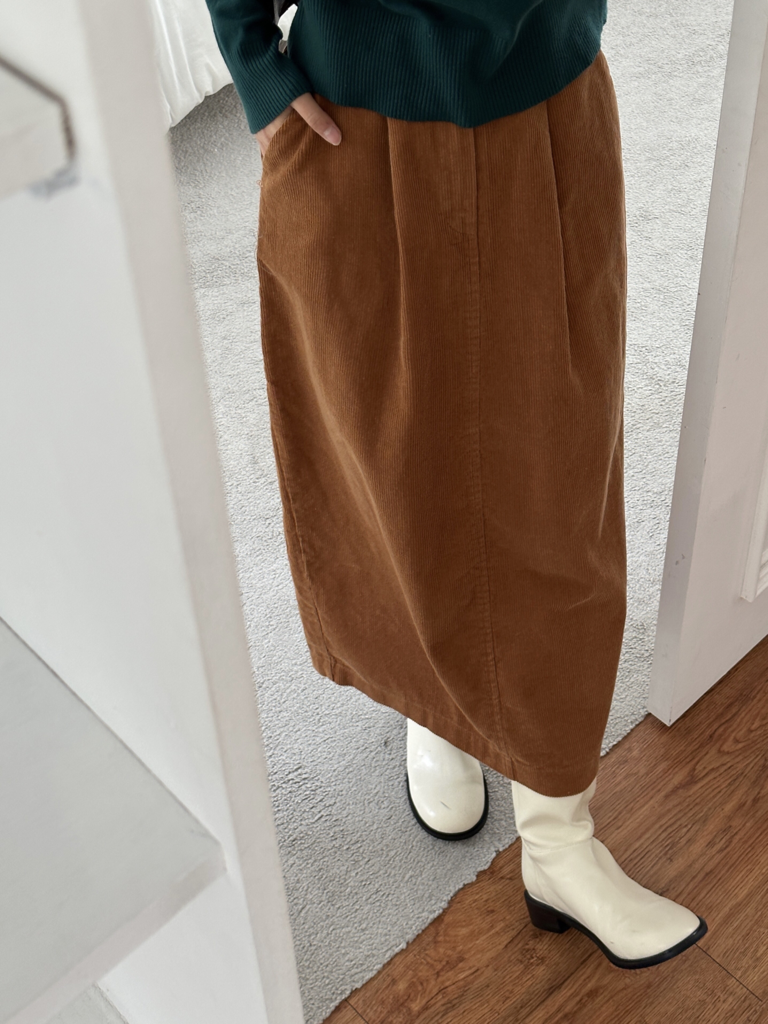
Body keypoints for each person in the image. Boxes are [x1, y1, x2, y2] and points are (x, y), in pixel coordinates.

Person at [204, 0, 708, 970]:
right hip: (356, 107)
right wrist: (255, 65)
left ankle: (559, 841)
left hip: (544, 87)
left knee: (558, 483)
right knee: (394, 465)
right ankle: (436, 705)